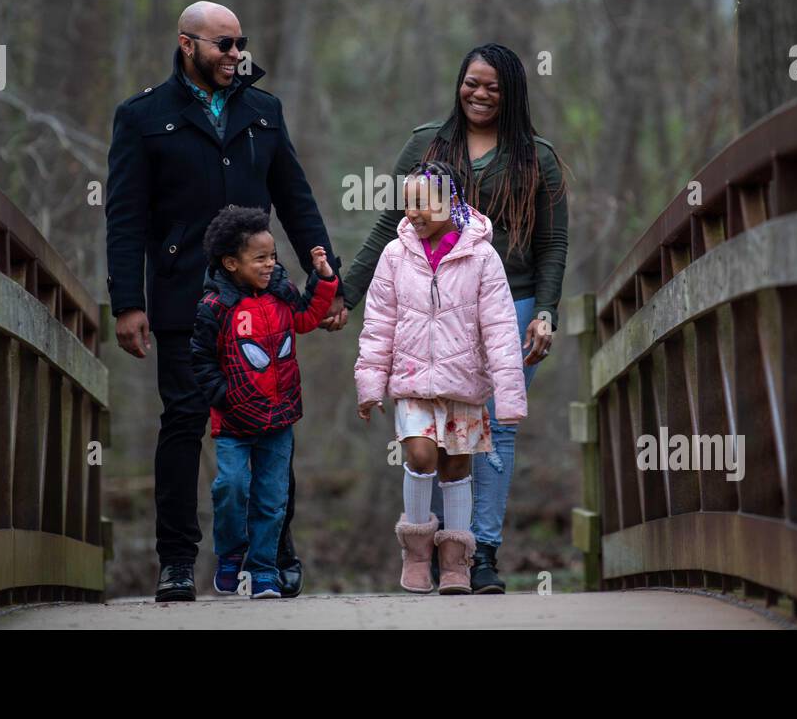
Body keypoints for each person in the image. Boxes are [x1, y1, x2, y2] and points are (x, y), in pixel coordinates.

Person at [105, 1, 345, 602]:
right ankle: (178, 562)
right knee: (184, 421)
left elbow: (296, 199)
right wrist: (126, 301)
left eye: (241, 43)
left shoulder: (263, 112)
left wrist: (329, 281)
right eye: (223, 45)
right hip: (183, 299)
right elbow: (125, 217)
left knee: (272, 424)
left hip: (262, 307)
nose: (237, 55)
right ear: (187, 45)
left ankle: (276, 551)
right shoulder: (142, 116)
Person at [336, 42, 568, 592]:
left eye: (492, 86)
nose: (479, 94)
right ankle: (440, 552)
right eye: (471, 82)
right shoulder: (425, 145)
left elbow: (553, 244)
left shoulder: (538, 157)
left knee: (491, 431)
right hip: (437, 311)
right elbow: (387, 227)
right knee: (436, 433)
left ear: (511, 92)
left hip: (511, 303)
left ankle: (479, 552)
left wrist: (547, 312)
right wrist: (346, 295)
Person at [354, 161, 528, 594]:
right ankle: (416, 553)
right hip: (412, 381)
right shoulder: (396, 255)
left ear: (451, 202)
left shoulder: (481, 255)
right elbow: (378, 323)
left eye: (424, 203)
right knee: (420, 456)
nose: (414, 212)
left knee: (454, 467)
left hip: (464, 385)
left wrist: (509, 399)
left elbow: (502, 329)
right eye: (407, 203)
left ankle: (455, 564)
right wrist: (370, 384)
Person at [190, 207, 338, 599]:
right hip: (234, 423)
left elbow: (306, 318)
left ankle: (264, 571)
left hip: (279, 419)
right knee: (232, 487)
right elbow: (200, 360)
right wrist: (226, 398)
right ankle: (230, 553)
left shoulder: (281, 293)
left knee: (273, 500)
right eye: (260, 258)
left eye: (273, 256)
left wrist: (323, 280)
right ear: (231, 263)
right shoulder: (215, 308)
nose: (271, 264)